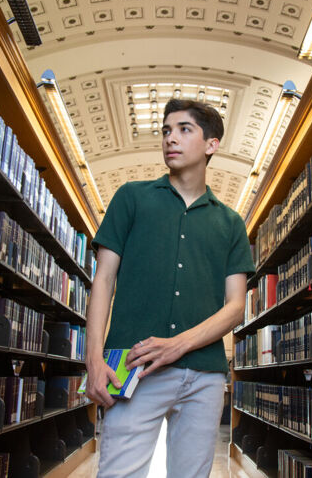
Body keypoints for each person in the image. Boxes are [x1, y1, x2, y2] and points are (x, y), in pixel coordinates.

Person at [84, 98, 255, 478]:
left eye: (184, 129)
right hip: (133, 368)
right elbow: (104, 280)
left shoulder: (230, 224)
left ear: (211, 144)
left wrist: (179, 344)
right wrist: (93, 359)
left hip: (204, 378)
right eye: (165, 130)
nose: (170, 139)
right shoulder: (131, 197)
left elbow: (235, 306)